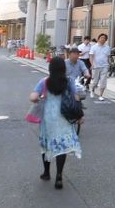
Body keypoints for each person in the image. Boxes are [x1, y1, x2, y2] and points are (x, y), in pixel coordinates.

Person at [29, 56, 82, 189]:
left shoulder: (44, 82)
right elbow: (76, 98)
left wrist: (39, 98)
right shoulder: (69, 81)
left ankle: (46, 173)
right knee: (62, 146)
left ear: (50, 68)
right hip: (64, 117)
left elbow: (33, 97)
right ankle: (59, 175)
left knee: (46, 144)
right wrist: (80, 115)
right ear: (64, 69)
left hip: (48, 118)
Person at [88, 33, 111, 101]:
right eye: (101, 38)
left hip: (104, 66)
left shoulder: (107, 47)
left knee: (103, 82)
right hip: (96, 66)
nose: (102, 39)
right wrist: (92, 64)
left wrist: (109, 64)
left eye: (104, 38)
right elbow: (91, 56)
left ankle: (101, 95)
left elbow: (108, 57)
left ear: (106, 40)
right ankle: (92, 90)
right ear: (98, 39)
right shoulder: (94, 47)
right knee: (95, 81)